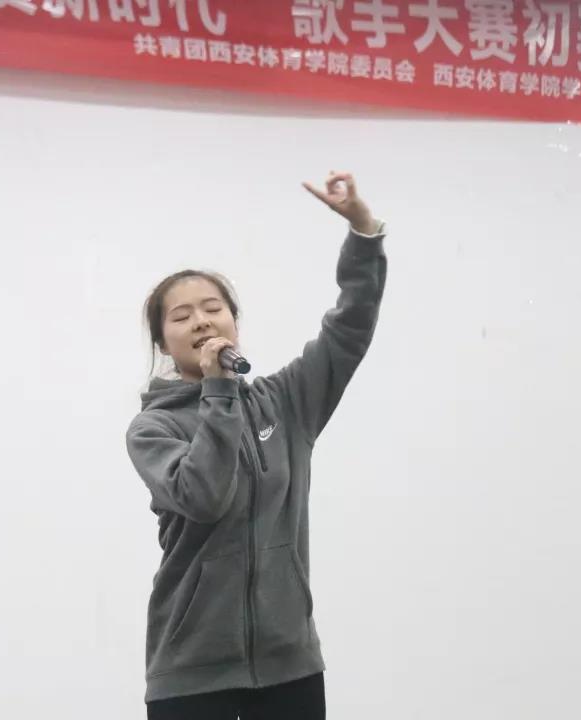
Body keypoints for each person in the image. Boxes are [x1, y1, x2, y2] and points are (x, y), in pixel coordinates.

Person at [125, 171, 388, 720]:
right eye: (182, 316)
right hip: (192, 675)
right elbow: (204, 496)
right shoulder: (153, 429)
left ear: (234, 320)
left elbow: (349, 329)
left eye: (213, 308)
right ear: (164, 342)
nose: (201, 321)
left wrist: (363, 233)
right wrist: (219, 390)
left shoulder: (285, 401)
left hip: (290, 666)